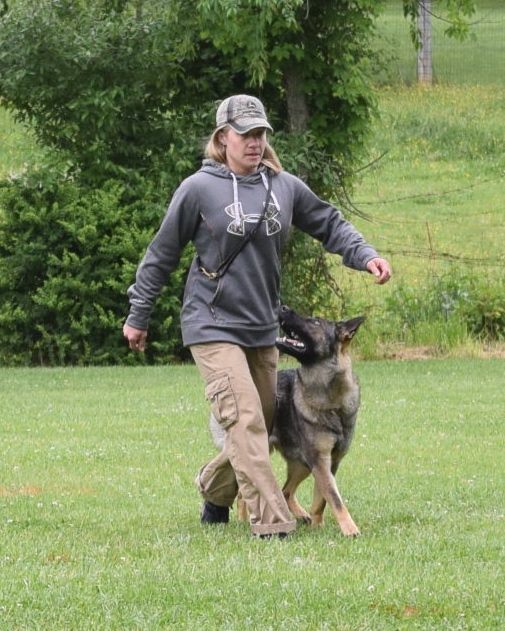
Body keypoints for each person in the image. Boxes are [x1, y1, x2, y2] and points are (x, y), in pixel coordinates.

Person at [123, 94, 391, 538]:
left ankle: (214, 491)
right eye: (245, 133)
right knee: (247, 419)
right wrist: (139, 313)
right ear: (222, 138)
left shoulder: (283, 187)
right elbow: (161, 254)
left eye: (261, 133)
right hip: (211, 323)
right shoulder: (198, 189)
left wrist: (365, 255)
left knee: (259, 424)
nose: (254, 141)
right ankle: (273, 523)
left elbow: (329, 222)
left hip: (262, 326)